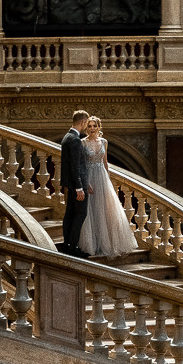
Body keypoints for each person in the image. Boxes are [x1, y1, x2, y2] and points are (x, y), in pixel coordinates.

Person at [78, 116, 139, 258]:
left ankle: (107, 244)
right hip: (89, 176)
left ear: (99, 127)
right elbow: (81, 165)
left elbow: (105, 162)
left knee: (105, 210)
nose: (92, 128)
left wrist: (108, 181)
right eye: (90, 126)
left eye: (95, 126)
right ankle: (92, 245)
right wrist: (86, 183)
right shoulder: (82, 143)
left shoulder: (104, 142)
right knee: (91, 210)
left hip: (102, 177)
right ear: (86, 128)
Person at [59, 110, 91, 258]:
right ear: (83, 122)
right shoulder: (75, 140)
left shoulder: (67, 137)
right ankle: (73, 246)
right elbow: (75, 166)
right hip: (77, 185)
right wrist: (79, 187)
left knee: (70, 213)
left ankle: (67, 245)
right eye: (86, 123)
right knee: (80, 214)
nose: (86, 127)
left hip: (70, 184)